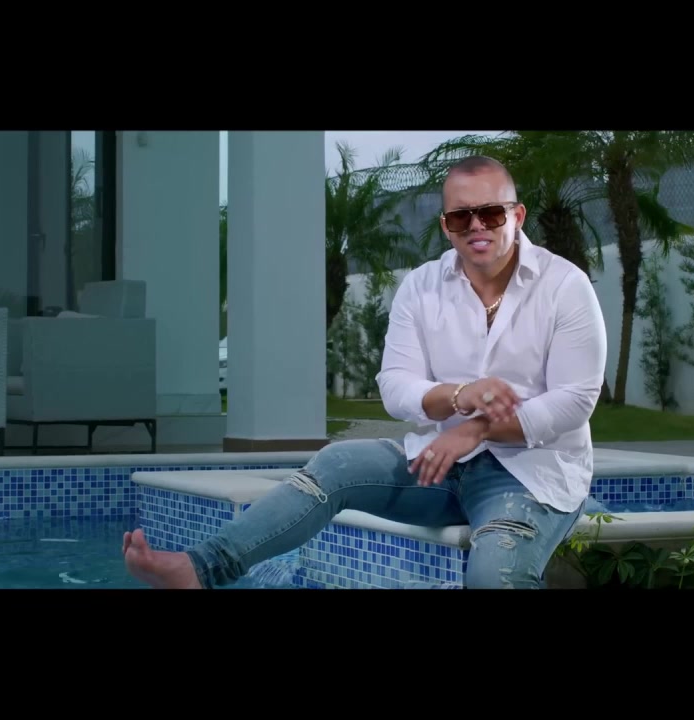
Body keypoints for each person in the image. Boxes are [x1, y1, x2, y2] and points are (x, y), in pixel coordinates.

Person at [121, 155, 608, 589]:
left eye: (491, 213)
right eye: (462, 216)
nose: (476, 226)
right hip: (439, 466)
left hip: (530, 474)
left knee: (493, 574)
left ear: (517, 216)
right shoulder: (422, 287)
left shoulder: (564, 285)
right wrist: (460, 396)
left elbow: (576, 399)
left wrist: (476, 429)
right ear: (446, 225)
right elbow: (395, 384)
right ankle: (201, 568)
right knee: (335, 465)